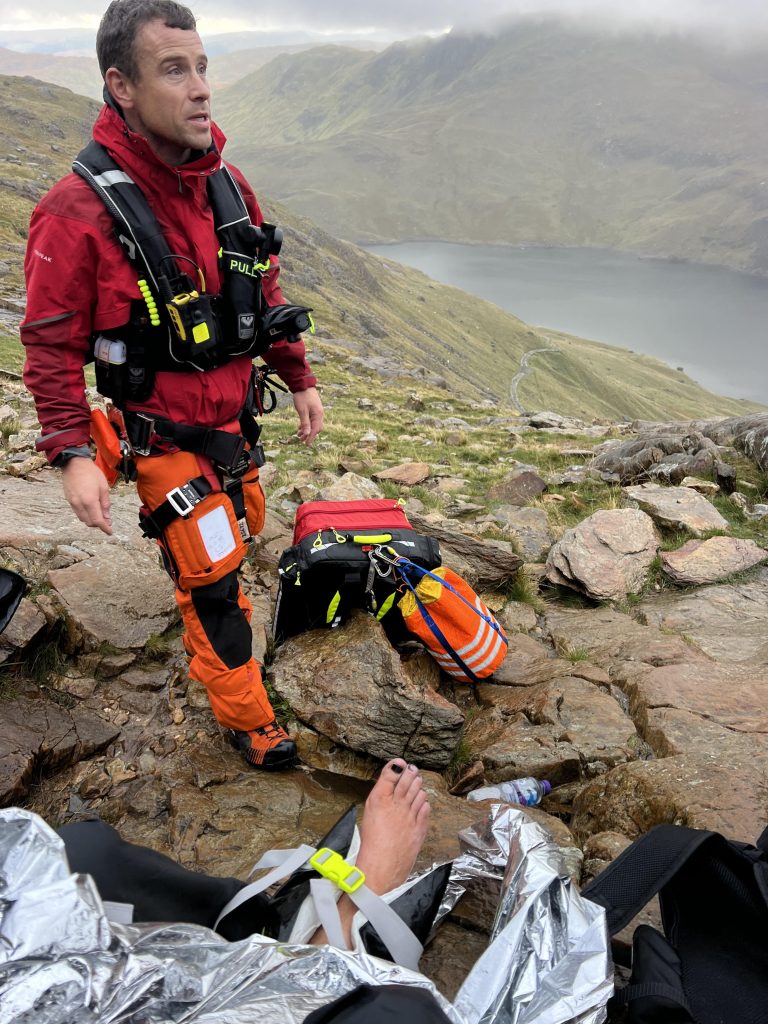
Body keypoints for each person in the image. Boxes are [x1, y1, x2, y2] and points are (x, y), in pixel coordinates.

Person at [20, 0, 324, 770]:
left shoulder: (226, 185)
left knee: (241, 533)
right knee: (215, 579)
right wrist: (70, 452)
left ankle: (203, 594)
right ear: (121, 86)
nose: (200, 90)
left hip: (235, 426)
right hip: (165, 438)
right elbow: (50, 346)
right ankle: (250, 719)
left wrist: (298, 377)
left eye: (203, 67)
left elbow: (263, 288)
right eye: (174, 70)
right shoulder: (75, 211)